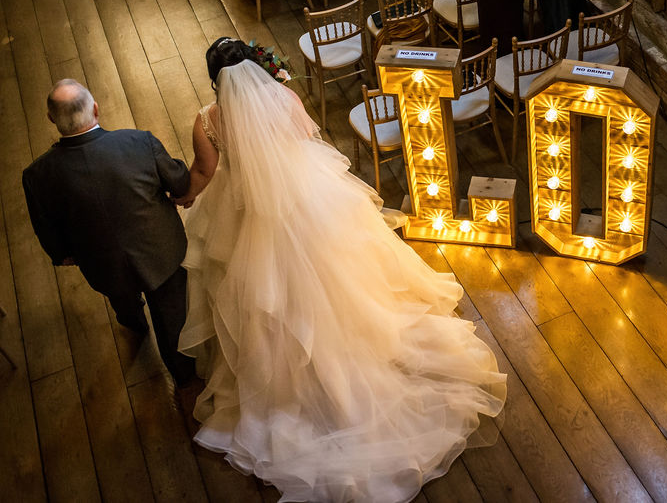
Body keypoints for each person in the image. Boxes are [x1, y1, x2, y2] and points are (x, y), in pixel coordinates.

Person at [175, 38, 506, 502]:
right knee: (339, 281)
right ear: (253, 67)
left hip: (248, 213)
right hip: (308, 199)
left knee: (265, 300)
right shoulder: (284, 95)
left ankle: (284, 388)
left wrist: (183, 195)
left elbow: (204, 173)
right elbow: (304, 140)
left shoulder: (207, 120)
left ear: (215, 80)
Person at [22, 80, 196, 389]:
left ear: (52, 120)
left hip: (102, 265)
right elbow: (180, 184)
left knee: (122, 297)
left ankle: (133, 323)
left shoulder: (37, 175)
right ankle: (184, 376)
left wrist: (63, 254)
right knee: (172, 318)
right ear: (96, 109)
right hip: (162, 252)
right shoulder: (138, 142)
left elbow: (45, 226)